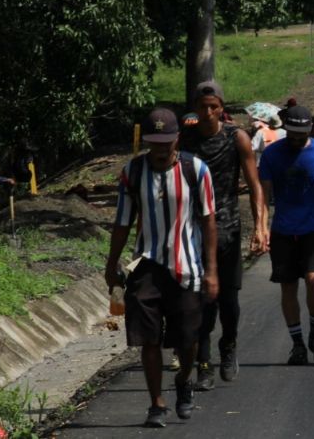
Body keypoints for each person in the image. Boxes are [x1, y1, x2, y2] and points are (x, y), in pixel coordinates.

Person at [105, 108, 218, 428]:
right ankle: (156, 403)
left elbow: (209, 222)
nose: (159, 150)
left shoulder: (196, 170)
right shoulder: (133, 172)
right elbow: (122, 222)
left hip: (186, 266)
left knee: (188, 340)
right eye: (153, 143)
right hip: (145, 266)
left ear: (176, 141)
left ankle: (184, 379)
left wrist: (212, 270)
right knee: (149, 339)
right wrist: (111, 265)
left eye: (165, 143)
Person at [179, 81, 268, 391]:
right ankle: (203, 363)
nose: (207, 112)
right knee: (201, 300)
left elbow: (254, 184)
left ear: (221, 109)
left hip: (228, 226)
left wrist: (260, 225)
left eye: (213, 107)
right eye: (202, 107)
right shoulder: (185, 140)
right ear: (195, 108)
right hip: (194, 230)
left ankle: (228, 346)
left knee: (228, 300)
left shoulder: (236, 138)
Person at [260, 106, 314, 365]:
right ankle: (297, 343)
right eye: (291, 134)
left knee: (313, 278)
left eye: (301, 134)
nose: (296, 139)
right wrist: (261, 228)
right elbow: (263, 194)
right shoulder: (272, 154)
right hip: (284, 229)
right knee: (288, 285)